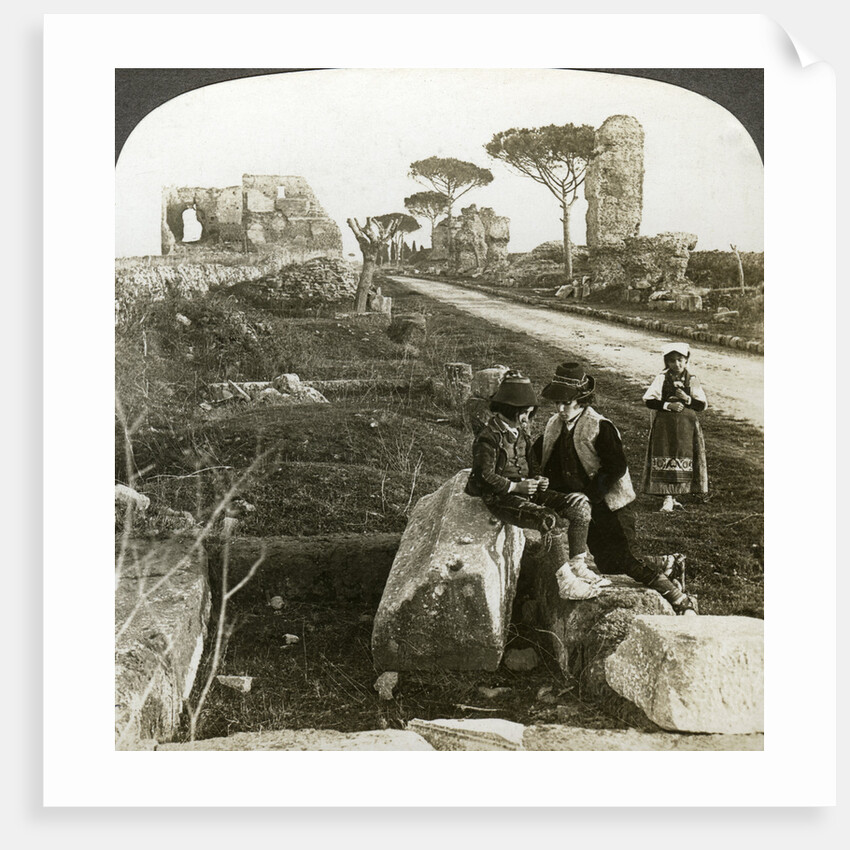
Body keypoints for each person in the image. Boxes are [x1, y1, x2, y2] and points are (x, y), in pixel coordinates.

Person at [533, 361, 697, 615]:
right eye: (557, 403)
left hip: (610, 503)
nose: (561, 408)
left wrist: (588, 494)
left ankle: (678, 598)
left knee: (625, 559)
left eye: (567, 402)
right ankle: (668, 562)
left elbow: (616, 466)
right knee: (607, 563)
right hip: (585, 509)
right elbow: (546, 457)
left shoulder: (599, 426)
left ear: (582, 400)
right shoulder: (554, 425)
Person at [465, 371, 608, 601]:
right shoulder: (488, 437)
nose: (529, 415)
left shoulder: (521, 433)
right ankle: (566, 583)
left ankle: (578, 565)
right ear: (515, 410)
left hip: (527, 492)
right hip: (500, 497)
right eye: (527, 411)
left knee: (580, 509)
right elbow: (483, 477)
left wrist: (540, 480)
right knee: (547, 519)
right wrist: (515, 487)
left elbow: (533, 465)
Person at [641, 342, 708, 511]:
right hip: (665, 426)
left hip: (687, 426)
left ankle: (678, 493)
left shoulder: (692, 380)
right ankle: (667, 496)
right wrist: (667, 405)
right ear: (666, 362)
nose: (676, 364)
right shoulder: (662, 378)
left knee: (683, 455)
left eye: (680, 360)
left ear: (686, 361)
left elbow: (701, 405)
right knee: (666, 453)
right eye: (672, 360)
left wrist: (687, 399)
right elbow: (649, 400)